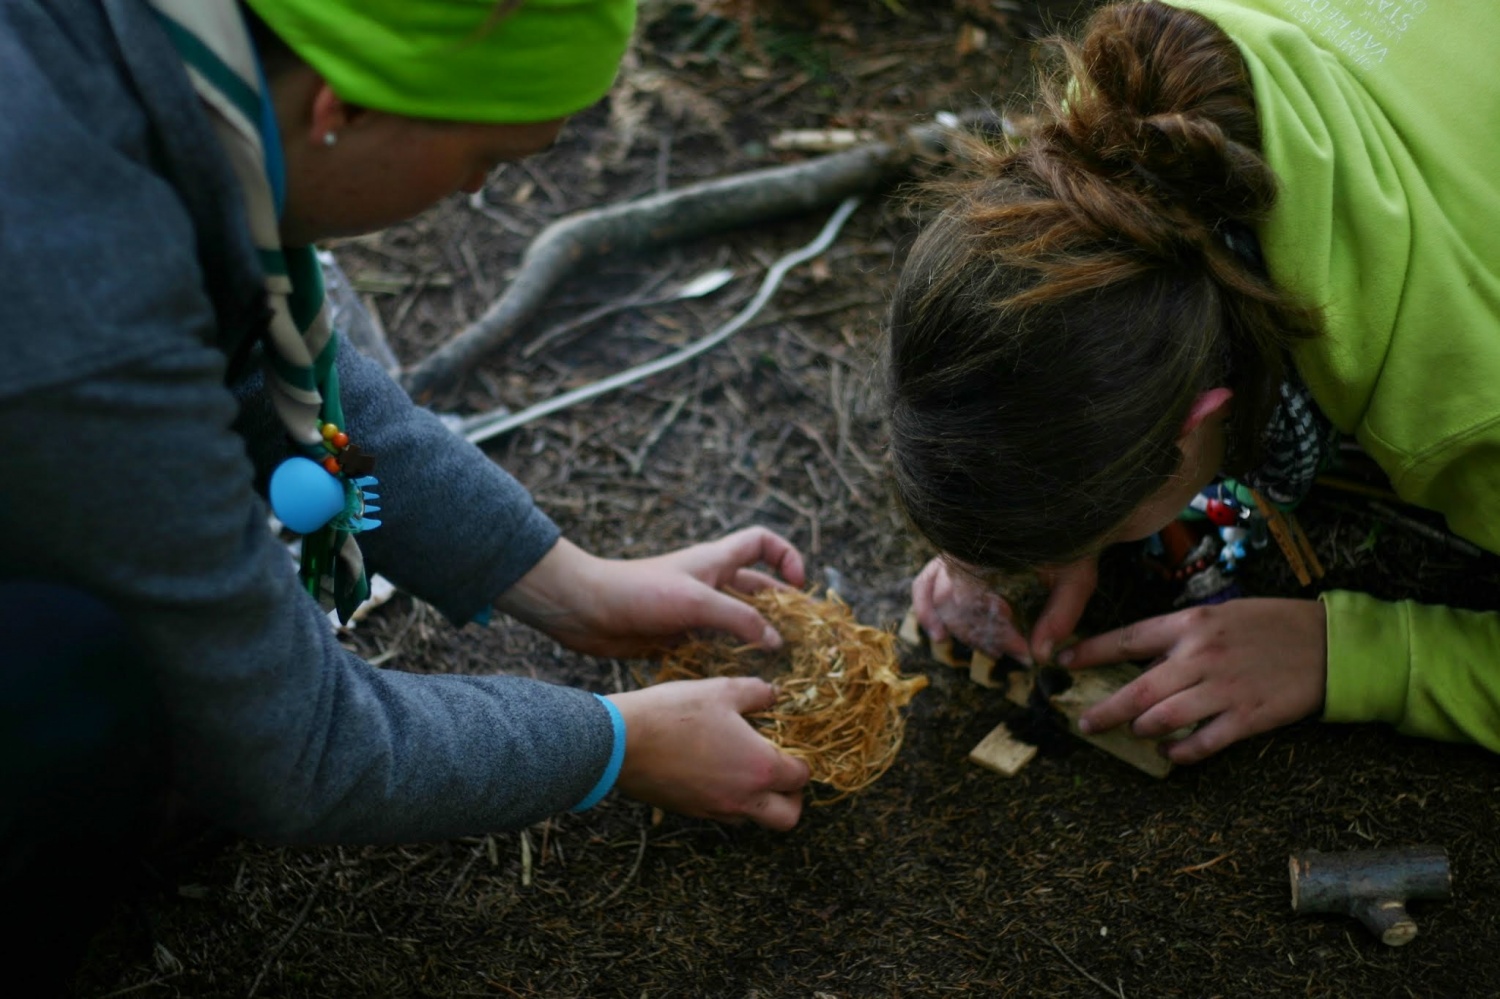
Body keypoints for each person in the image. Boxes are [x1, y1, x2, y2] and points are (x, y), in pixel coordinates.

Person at [0, 0, 814, 975]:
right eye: (487, 163)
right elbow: (296, 747)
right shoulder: (73, 290)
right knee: (72, 679)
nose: (473, 193)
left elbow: (257, 353)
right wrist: (610, 744)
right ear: (340, 109)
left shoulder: (151, 60)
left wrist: (562, 580)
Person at [888, 0, 1499, 765]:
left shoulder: (1470, 409)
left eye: (1113, 525)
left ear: (1192, 428)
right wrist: (997, 533)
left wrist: (1354, 655)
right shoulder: (1128, 119)